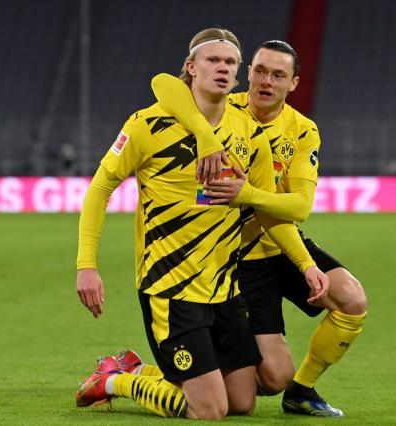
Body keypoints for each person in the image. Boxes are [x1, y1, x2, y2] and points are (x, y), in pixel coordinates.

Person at [74, 29, 329, 420]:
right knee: (209, 409)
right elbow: (99, 189)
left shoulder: (250, 134)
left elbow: (266, 212)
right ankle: (114, 380)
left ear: (238, 73)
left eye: (230, 62)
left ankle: (139, 370)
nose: (222, 68)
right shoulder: (147, 125)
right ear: (191, 68)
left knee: (242, 403)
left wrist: (306, 264)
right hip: (170, 287)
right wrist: (86, 265)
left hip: (225, 289)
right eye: (212, 60)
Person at [149, 40, 369, 417]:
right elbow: (162, 84)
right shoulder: (223, 108)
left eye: (278, 75)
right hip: (240, 257)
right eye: (260, 71)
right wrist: (203, 134)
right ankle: (170, 377)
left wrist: (247, 194)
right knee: (272, 376)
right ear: (248, 73)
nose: (267, 81)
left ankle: (302, 389)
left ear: (293, 83)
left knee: (352, 300)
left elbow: (299, 207)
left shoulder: (302, 130)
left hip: (282, 240)